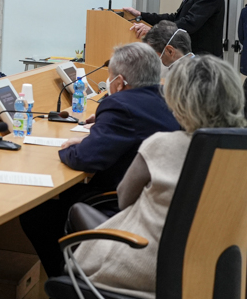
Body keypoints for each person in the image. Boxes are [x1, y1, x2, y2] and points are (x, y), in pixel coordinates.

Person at [35, 56, 246, 299]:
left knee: (74, 269)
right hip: (212, 270)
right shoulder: (245, 149)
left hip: (151, 267)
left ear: (179, 99)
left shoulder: (164, 144)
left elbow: (123, 200)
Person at [19, 42, 181, 281]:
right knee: (66, 194)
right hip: (158, 204)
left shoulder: (120, 105)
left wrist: (70, 147)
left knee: (36, 213)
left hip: (121, 204)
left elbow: (85, 159)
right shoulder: (167, 99)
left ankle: (71, 294)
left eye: (110, 78)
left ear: (119, 82)